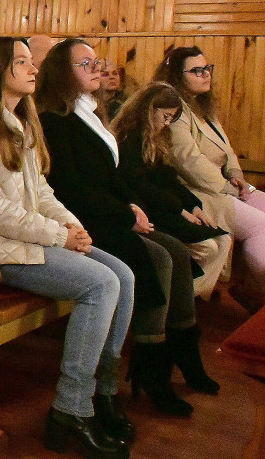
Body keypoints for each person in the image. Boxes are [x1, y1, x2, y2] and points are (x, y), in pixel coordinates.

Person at [0, 37, 134, 459]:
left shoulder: (17, 119)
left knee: (123, 274)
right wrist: (56, 235)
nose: (33, 69)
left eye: (32, 61)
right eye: (21, 62)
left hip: (19, 236)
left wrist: (70, 224)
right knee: (99, 284)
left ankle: (102, 391)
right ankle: (71, 410)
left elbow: (39, 189)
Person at [36, 39, 203, 417]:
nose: (97, 68)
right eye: (85, 63)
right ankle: (148, 368)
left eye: (98, 61)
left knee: (176, 250)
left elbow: (110, 176)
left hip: (106, 210)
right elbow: (70, 187)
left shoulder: (91, 113)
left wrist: (134, 206)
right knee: (157, 257)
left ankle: (181, 354)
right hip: (83, 216)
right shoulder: (52, 119)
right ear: (63, 72)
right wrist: (127, 214)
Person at [155, 46, 265, 313]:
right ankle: (260, 293)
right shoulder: (176, 110)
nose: (206, 75)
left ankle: (252, 289)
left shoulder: (204, 107)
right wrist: (226, 186)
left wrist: (237, 175)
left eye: (207, 69)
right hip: (199, 192)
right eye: (197, 71)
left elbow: (226, 150)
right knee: (260, 227)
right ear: (177, 76)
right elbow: (188, 161)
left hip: (224, 185)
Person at [112, 83, 231, 299]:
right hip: (147, 209)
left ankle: (189, 298)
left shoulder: (156, 137)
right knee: (208, 247)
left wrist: (193, 204)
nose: (167, 124)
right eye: (165, 116)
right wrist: (180, 211)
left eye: (171, 119)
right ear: (150, 110)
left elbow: (167, 177)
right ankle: (181, 300)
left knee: (223, 241)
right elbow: (140, 186)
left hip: (163, 205)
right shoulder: (129, 138)